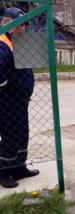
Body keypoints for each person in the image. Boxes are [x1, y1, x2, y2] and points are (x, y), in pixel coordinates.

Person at [0, 7, 39, 188]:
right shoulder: (2, 43)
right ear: (7, 22)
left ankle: (19, 167)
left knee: (22, 133)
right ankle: (3, 172)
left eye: (23, 26)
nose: (21, 29)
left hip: (20, 100)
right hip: (7, 101)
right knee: (11, 135)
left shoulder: (16, 42)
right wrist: (7, 87)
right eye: (18, 25)